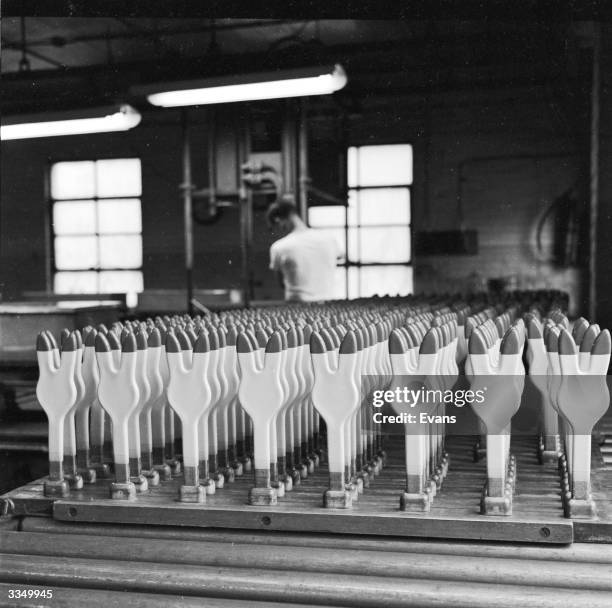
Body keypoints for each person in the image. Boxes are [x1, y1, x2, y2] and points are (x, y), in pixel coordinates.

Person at [267, 199, 339, 301]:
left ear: (278, 221)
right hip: (328, 303)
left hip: (296, 305)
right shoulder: (329, 239)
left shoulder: (279, 247)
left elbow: (281, 283)